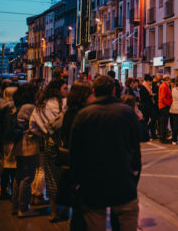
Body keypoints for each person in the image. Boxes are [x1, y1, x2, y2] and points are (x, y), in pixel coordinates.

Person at [70, 75, 141, 230]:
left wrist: (76, 181)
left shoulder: (83, 115)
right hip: (123, 181)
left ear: (94, 91)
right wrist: (134, 174)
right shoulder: (127, 112)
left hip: (92, 183)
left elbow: (75, 152)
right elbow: (136, 148)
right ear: (114, 89)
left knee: (95, 224)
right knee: (127, 222)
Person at [30, 79, 68, 222]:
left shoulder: (40, 105)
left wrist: (44, 134)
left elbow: (32, 125)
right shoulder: (65, 104)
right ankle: (65, 209)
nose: (67, 91)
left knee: (51, 178)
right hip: (65, 144)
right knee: (66, 177)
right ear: (58, 90)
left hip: (49, 144)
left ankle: (53, 212)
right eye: (65, 88)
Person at [59, 81, 93, 229]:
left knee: (80, 213)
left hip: (74, 168)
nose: (94, 96)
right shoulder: (83, 115)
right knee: (84, 213)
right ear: (83, 96)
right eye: (91, 93)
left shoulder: (69, 113)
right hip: (84, 168)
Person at [10, 84, 41, 217]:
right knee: (27, 177)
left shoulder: (20, 106)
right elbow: (37, 124)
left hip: (19, 144)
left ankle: (15, 206)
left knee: (19, 177)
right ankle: (23, 208)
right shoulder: (29, 107)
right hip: (28, 144)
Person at [0, 84, 18, 202]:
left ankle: (4, 190)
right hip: (9, 139)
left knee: (3, 164)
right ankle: (11, 190)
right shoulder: (12, 107)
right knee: (11, 165)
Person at [138, 75, 157, 139]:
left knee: (154, 119)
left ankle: (152, 134)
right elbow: (143, 98)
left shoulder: (149, 87)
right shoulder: (143, 87)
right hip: (145, 106)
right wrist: (151, 96)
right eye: (150, 81)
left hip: (150, 105)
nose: (151, 83)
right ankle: (145, 133)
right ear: (147, 81)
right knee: (146, 120)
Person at [158, 75, 173, 143]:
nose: (171, 80)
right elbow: (163, 98)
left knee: (163, 123)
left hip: (163, 106)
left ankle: (163, 136)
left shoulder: (164, 85)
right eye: (170, 78)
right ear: (167, 79)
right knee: (164, 123)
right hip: (164, 106)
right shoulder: (164, 86)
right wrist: (169, 103)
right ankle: (163, 138)